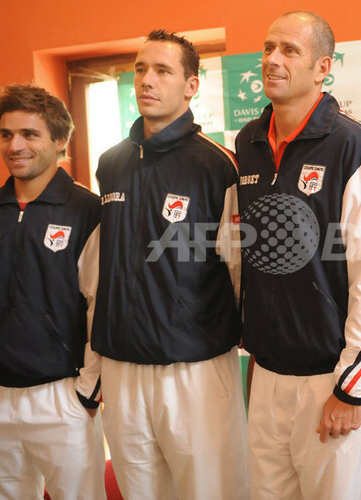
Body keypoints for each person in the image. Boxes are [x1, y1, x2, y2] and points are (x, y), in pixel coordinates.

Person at [235, 11, 361, 500]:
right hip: (268, 375)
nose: (272, 59)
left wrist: (354, 384)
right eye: (268, 48)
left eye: (290, 50)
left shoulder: (353, 145)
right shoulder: (248, 142)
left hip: (332, 378)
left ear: (322, 67)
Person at [91, 29, 248, 500]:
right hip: (121, 365)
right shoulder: (110, 163)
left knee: (210, 491)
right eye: (141, 69)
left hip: (194, 367)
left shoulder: (217, 163)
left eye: (162, 70)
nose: (147, 80)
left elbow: (239, 267)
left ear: (191, 85)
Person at [0, 83, 105, 499]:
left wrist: (88, 390)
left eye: (29, 134)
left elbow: (100, 305)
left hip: (61, 398)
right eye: (7, 134)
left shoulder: (87, 211)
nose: (15, 146)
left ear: (60, 140)